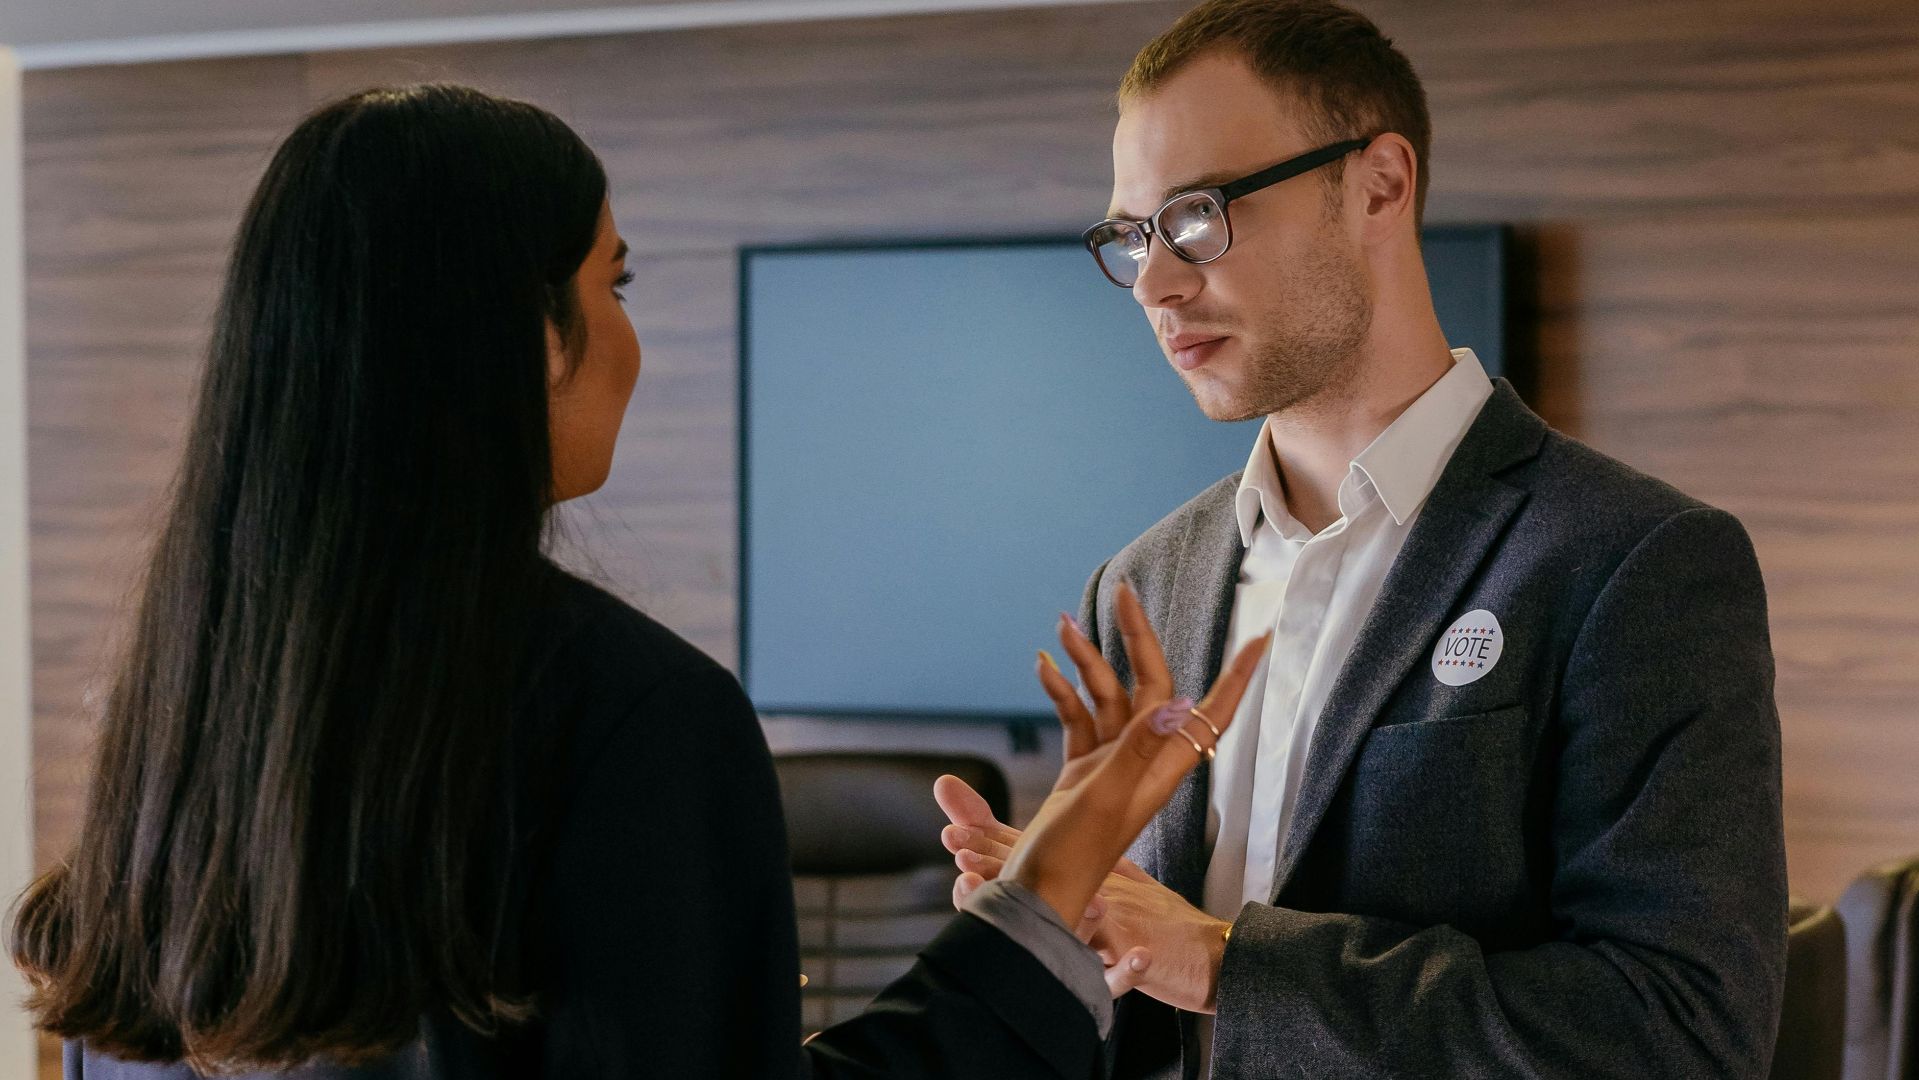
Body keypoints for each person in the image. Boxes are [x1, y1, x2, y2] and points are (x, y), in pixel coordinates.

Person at [5, 83, 1275, 1079]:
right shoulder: (630, 718)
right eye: (612, 283)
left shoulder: (167, 711)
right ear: (516, 336)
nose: (632, 338)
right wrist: (1054, 886)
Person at [935, 1, 1788, 1076]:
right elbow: (1140, 1025)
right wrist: (1050, 950)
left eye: (1197, 215)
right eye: (1132, 234)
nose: (1154, 282)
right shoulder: (1144, 586)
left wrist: (1224, 961)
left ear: (1380, 183)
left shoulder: (1633, 563)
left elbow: (1683, 1033)